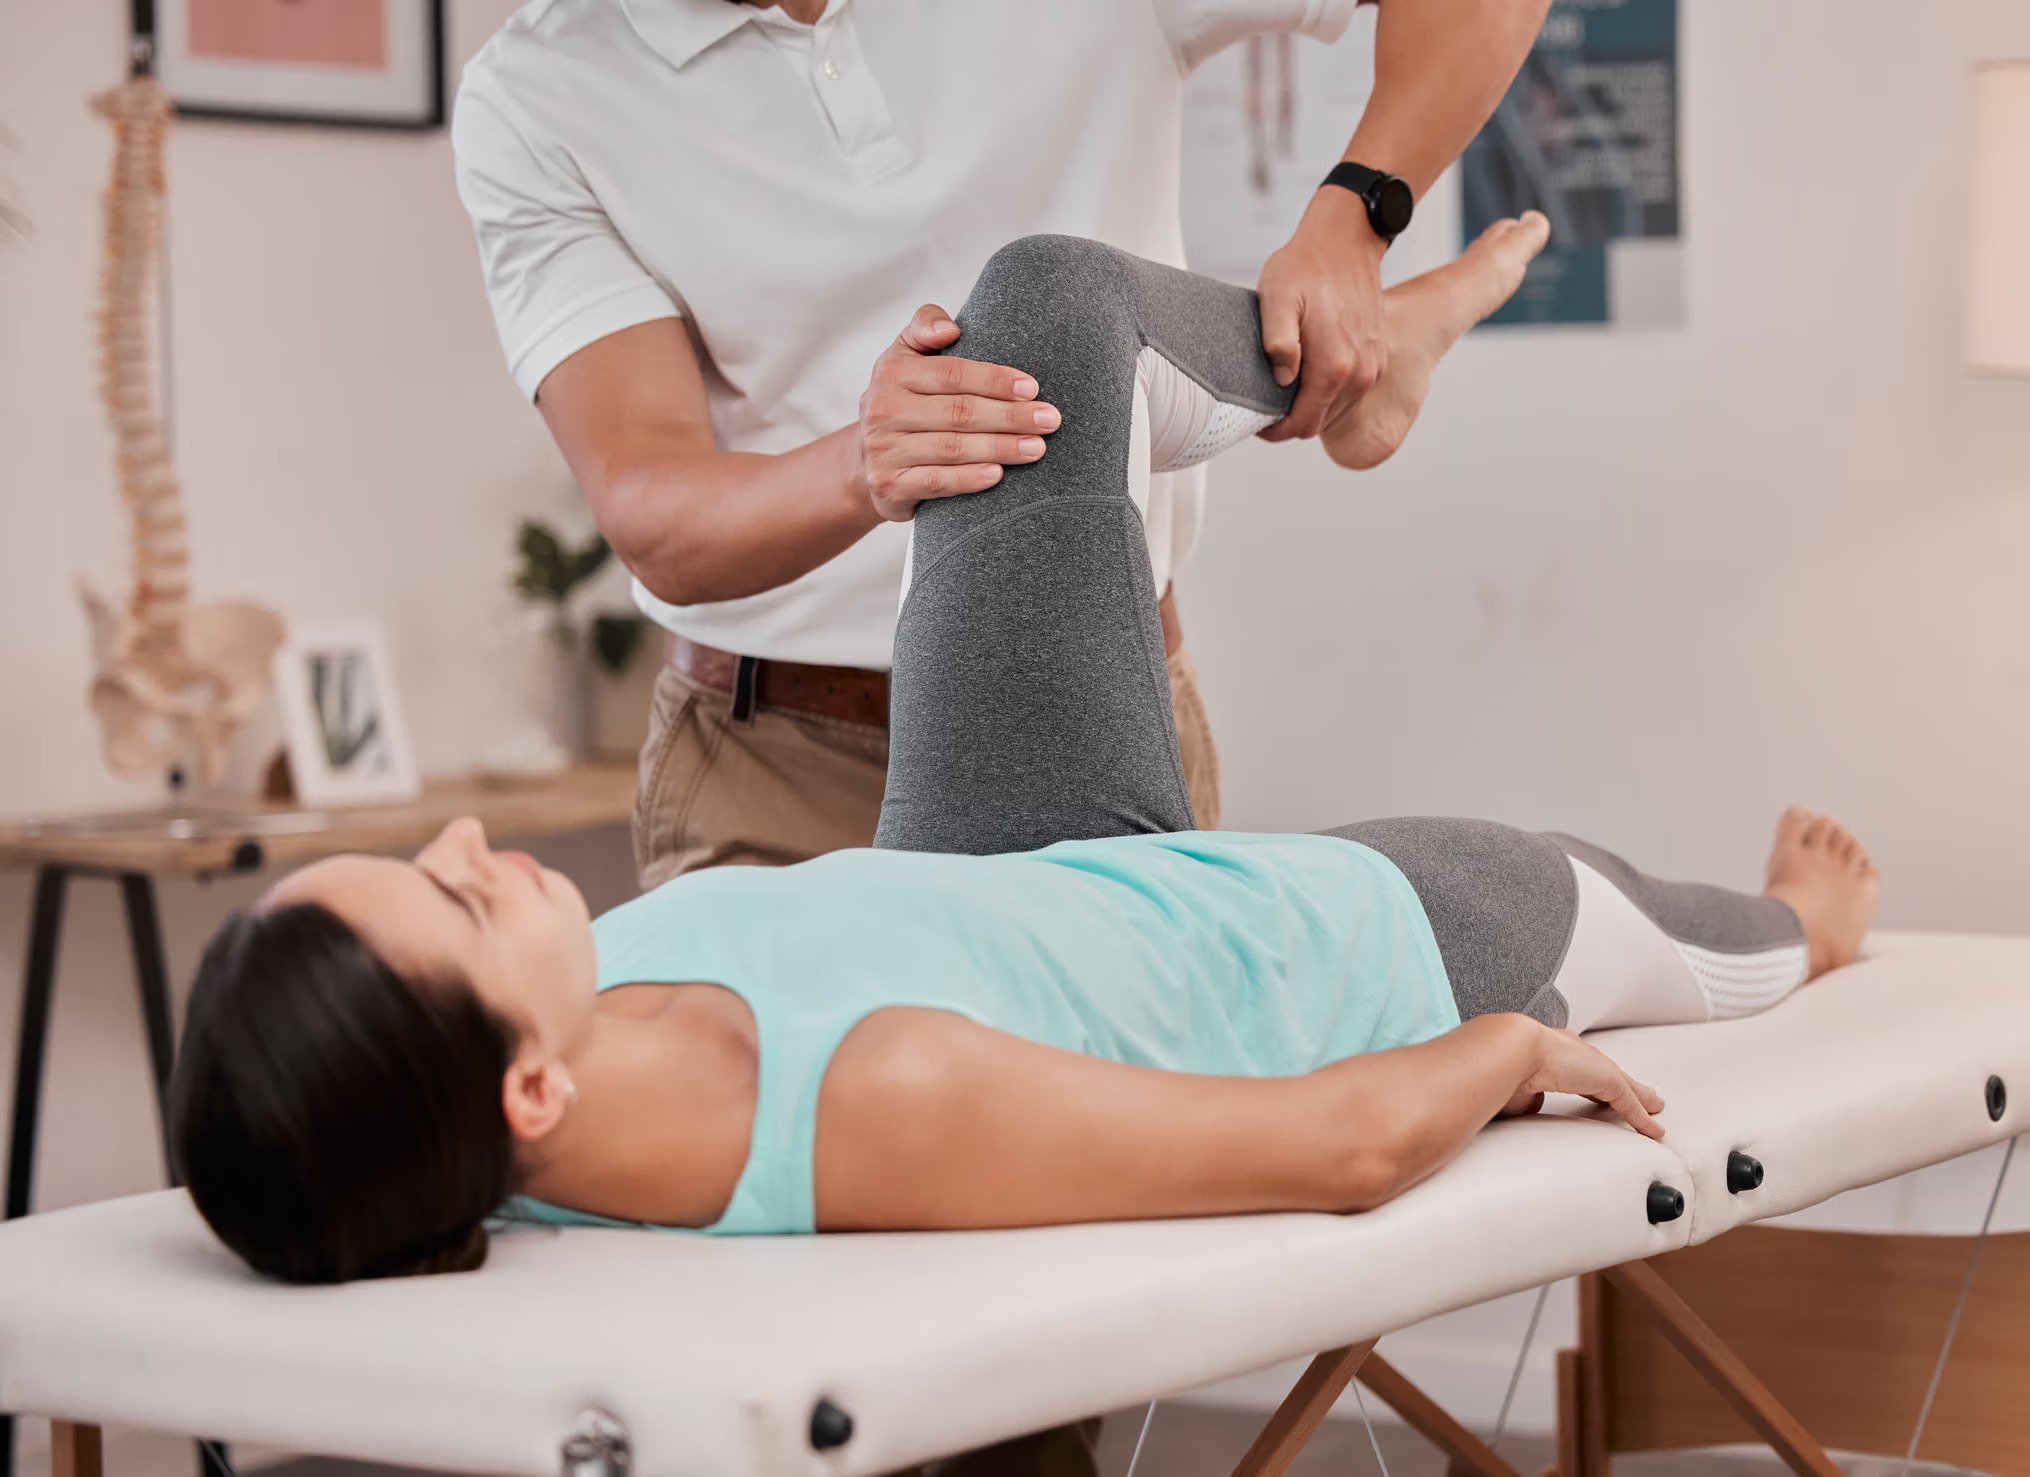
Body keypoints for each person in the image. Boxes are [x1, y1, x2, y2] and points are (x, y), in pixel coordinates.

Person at [170, 232, 1878, 1477]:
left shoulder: (514, 1081)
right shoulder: (875, 1093)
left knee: (1041, 314)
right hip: (1313, 947)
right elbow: (1343, 1143)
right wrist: (1503, 1047)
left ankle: (1359, 358)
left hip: (1000, 849)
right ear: (524, 1097)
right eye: (454, 891)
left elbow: (322, 1140)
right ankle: (1804, 928)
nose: (473, 841)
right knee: (1610, 899)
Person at [453, 0, 1555, 885]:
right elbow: (654, 507)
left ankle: (1352, 359)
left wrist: (1352, 219)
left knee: (1052, 300)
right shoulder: (540, 91)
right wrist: (862, 460)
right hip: (777, 765)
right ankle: (1358, 371)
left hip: (1097, 689)